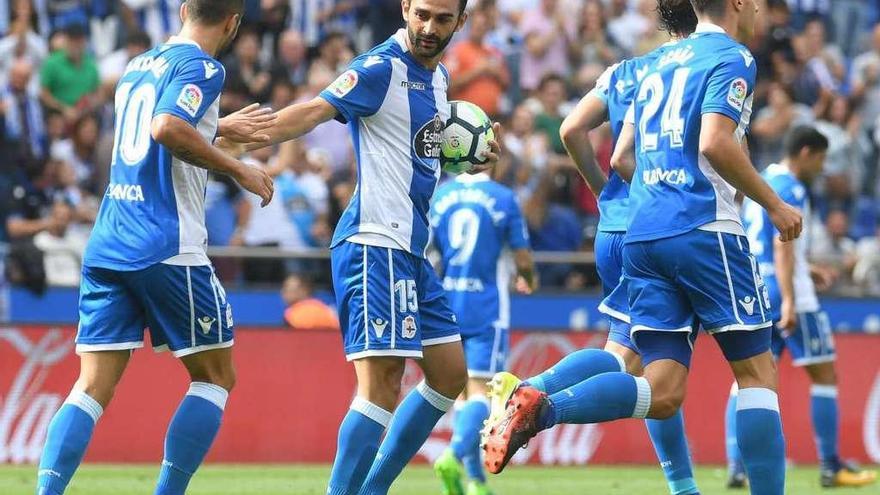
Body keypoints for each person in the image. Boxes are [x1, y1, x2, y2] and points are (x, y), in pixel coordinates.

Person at [483, 2, 804, 495]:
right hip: (702, 227)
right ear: (738, 3)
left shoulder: (650, 65)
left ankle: (542, 406)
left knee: (662, 389)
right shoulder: (733, 57)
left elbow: (619, 154)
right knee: (757, 373)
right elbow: (717, 143)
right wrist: (775, 205)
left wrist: (617, 194)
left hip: (641, 233)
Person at [219, 1, 501, 493]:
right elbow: (314, 111)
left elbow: (414, 153)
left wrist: (466, 157)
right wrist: (238, 131)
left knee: (450, 372)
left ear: (461, 22)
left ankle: (370, 489)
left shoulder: (436, 81)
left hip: (411, 247)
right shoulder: (380, 67)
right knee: (381, 386)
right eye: (423, 15)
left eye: (442, 19)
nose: (429, 28)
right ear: (406, 7)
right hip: (374, 241)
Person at [34, 1, 277, 494]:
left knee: (93, 385)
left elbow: (156, 121)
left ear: (185, 8)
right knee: (214, 377)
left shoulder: (137, 66)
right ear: (233, 23)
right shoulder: (204, 66)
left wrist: (219, 125)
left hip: (109, 240)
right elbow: (165, 127)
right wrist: (238, 167)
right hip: (165, 242)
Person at [482, 2, 702, 494]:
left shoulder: (625, 71)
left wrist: (605, 192)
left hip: (616, 228)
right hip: (664, 226)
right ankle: (540, 400)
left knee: (626, 357)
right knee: (661, 370)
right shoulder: (701, 67)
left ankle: (534, 390)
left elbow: (569, 130)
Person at [730, 126, 878, 489]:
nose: (822, 167)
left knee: (751, 380)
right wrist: (793, 299)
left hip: (758, 288)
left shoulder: (760, 181)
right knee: (825, 376)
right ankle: (830, 466)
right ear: (806, 152)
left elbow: (760, 242)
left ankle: (737, 466)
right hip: (788, 294)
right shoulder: (792, 188)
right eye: (822, 159)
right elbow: (782, 245)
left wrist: (806, 268)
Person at [429, 170, 535, 495]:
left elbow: (430, 256)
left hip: (446, 302)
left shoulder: (440, 195)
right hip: (487, 306)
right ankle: (453, 455)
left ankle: (476, 482)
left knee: (460, 397)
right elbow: (522, 255)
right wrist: (528, 278)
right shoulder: (503, 197)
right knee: (481, 393)